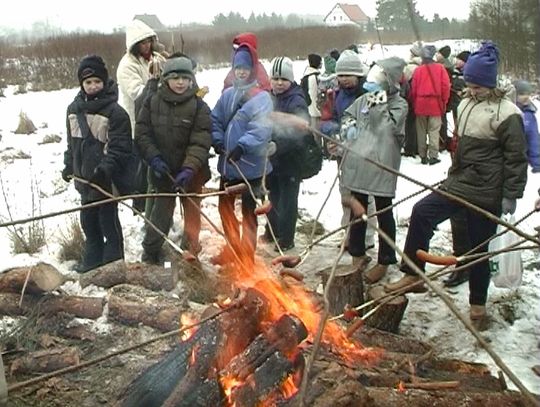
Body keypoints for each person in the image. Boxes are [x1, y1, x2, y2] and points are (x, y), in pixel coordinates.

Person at [385, 41, 528, 331]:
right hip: (460, 181)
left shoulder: (507, 112)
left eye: (478, 86)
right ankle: (413, 273)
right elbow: (460, 146)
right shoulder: (464, 104)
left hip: (487, 190)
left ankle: (478, 306)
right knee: (422, 211)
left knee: (477, 249)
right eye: (470, 84)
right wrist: (453, 172)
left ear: (490, 84)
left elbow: (516, 158)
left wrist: (511, 196)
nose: (472, 90)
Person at [134, 56, 212, 264]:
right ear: (165, 79)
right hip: (163, 172)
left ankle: (191, 254)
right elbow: (142, 134)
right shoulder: (152, 102)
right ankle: (150, 253)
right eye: (175, 77)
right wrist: (154, 158)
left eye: (185, 78)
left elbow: (201, 140)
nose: (180, 82)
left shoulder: (199, 107)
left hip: (192, 174)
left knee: (193, 217)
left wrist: (189, 168)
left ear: (191, 80)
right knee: (159, 217)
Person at [339, 57, 408, 282]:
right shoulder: (363, 100)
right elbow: (349, 114)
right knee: (357, 212)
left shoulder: (399, 105)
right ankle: (358, 254)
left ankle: (385, 260)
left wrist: (379, 101)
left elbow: (386, 129)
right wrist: (348, 129)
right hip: (359, 164)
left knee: (382, 212)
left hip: (382, 167)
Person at [62, 55, 132, 272]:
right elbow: (72, 144)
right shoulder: (73, 110)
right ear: (81, 84)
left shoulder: (116, 113)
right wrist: (69, 164)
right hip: (84, 182)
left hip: (105, 183)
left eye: (97, 82)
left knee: (108, 225)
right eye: (88, 82)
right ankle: (91, 266)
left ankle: (113, 268)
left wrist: (105, 170)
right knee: (89, 226)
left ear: (104, 82)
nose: (93, 86)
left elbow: (120, 149)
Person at [211, 43, 273, 267]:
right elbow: (215, 119)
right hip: (229, 165)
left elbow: (261, 128)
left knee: (249, 214)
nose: (241, 71)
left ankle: (246, 257)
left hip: (251, 165)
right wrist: (217, 139)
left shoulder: (262, 98)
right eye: (238, 67)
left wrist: (243, 146)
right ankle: (232, 248)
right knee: (224, 209)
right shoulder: (228, 94)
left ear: (253, 70)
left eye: (245, 68)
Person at [117, 19, 167, 214]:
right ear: (135, 45)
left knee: (155, 162)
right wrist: (156, 84)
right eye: (142, 43)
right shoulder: (126, 66)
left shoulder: (157, 57)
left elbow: (171, 74)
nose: (146, 46)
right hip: (138, 121)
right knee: (140, 164)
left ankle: (156, 199)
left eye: (149, 41)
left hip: (159, 120)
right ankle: (139, 205)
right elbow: (138, 93)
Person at [264, 56, 311, 252]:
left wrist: (278, 146)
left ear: (291, 80)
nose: (279, 83)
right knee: (272, 195)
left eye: (283, 79)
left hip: (291, 158)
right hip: (273, 158)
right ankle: (272, 230)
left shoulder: (296, 100)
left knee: (288, 199)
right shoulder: (269, 97)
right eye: (275, 79)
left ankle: (286, 238)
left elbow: (299, 130)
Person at [410, 45, 450, 165]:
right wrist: (444, 101)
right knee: (434, 130)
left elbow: (414, 89)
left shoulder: (418, 70)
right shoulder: (440, 68)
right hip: (435, 103)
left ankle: (422, 155)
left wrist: (414, 102)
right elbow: (445, 86)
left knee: (421, 130)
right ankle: (433, 155)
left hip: (421, 103)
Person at [402, 41, 423, 157]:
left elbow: (404, 81)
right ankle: (419, 147)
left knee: (410, 124)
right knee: (419, 125)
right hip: (421, 100)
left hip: (411, 99)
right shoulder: (424, 66)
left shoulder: (410, 67)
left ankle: (410, 148)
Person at [514, 80, 540, 173]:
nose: (526, 97)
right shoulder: (507, 111)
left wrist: (537, 162)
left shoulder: (529, 115)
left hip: (520, 161)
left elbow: (533, 139)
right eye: (521, 94)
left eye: (528, 94)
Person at [302, 53, 322, 130]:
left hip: (310, 109)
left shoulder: (306, 75)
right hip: (314, 110)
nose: (321, 64)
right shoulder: (313, 77)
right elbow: (313, 94)